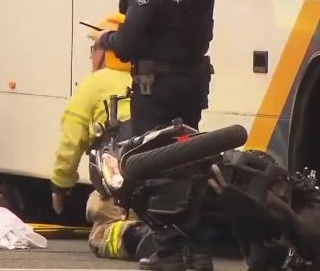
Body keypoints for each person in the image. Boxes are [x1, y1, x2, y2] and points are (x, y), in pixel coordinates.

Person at [93, 1, 216, 270]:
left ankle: (170, 249)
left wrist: (106, 38)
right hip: (192, 85)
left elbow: (127, 44)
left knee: (154, 165)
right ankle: (197, 250)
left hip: (157, 89)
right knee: (190, 164)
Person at [49, 12, 155, 261]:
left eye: (93, 48)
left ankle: (136, 237)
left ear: (106, 51)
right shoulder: (153, 81)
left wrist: (60, 187)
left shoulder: (93, 85)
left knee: (101, 231)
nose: (92, 56)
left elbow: (70, 142)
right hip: (162, 191)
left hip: (119, 194)